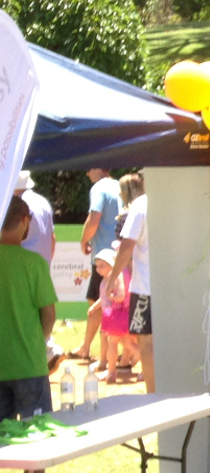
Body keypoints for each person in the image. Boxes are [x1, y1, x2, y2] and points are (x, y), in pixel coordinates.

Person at [1, 196, 55, 422]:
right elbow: (49, 315)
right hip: (30, 365)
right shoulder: (34, 264)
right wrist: (37, 342)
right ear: (25, 220)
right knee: (40, 436)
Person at [103, 171, 157, 393]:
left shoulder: (141, 205)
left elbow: (127, 245)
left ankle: (155, 394)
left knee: (146, 342)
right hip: (172, 285)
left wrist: (113, 277)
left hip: (145, 288)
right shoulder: (176, 198)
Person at [72, 167, 122, 362]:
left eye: (88, 168)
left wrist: (84, 241)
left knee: (96, 303)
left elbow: (94, 219)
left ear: (97, 168)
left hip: (104, 257)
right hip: (121, 253)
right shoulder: (119, 185)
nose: (86, 173)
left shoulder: (99, 188)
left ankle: (88, 348)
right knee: (117, 303)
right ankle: (122, 354)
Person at [91, 248, 137, 382]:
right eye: (97, 266)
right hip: (115, 315)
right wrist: (95, 306)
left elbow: (121, 295)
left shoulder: (117, 275)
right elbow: (103, 297)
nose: (98, 269)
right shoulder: (114, 276)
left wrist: (112, 296)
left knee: (120, 343)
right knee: (123, 342)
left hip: (117, 315)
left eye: (102, 266)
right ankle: (110, 370)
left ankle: (111, 371)